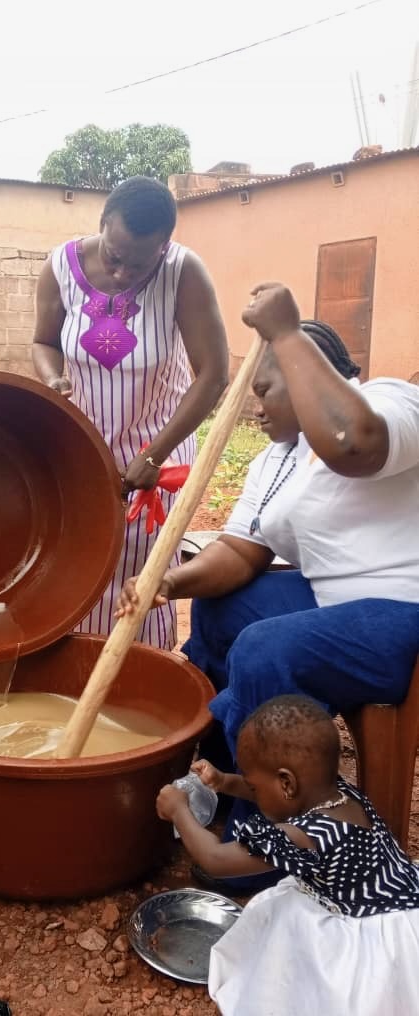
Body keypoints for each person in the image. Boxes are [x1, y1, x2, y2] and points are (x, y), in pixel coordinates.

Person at [118, 281, 419, 877]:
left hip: (399, 611)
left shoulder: (388, 401)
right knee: (220, 609)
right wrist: (171, 584)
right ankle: (223, 768)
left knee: (262, 647)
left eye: (264, 389)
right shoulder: (278, 459)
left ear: (306, 369)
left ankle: (263, 847)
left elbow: (353, 443)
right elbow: (241, 551)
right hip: (333, 604)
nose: (256, 407)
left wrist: (283, 330)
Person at [32, 176, 228, 649]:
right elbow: (43, 342)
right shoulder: (60, 265)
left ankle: (138, 679)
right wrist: (54, 379)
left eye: (138, 264)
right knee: (76, 556)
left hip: (157, 454)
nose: (122, 273)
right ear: (102, 225)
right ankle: (71, 677)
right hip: (81, 453)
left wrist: (154, 456)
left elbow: (214, 375)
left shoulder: (184, 273)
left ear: (163, 247)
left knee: (141, 573)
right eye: (114, 257)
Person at [157, 695, 419, 1016]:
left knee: (301, 951)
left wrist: (179, 810)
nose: (251, 791)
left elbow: (215, 859)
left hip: (370, 939)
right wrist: (224, 782)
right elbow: (274, 793)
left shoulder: (308, 836)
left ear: (286, 783)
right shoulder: (337, 794)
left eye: (253, 787)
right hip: (399, 903)